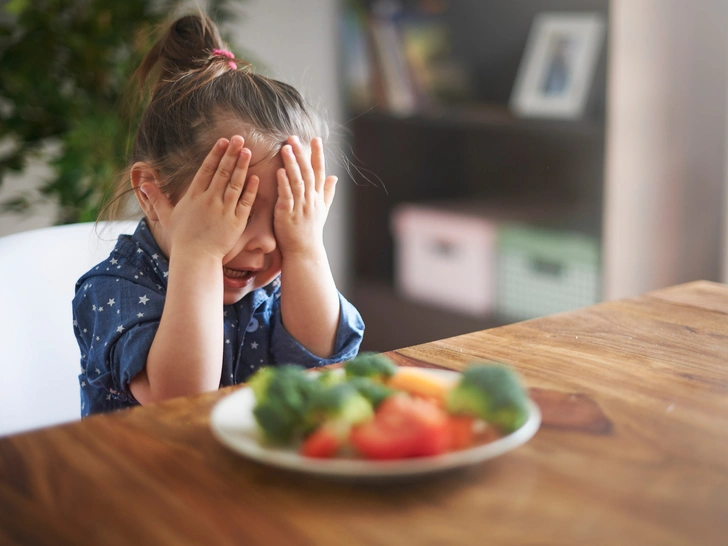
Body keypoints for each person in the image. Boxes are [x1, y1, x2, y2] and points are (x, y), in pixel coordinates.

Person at [72, 13, 365, 416]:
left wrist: (304, 249)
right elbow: (181, 399)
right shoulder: (114, 288)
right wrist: (200, 255)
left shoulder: (278, 278)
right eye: (238, 214)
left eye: (284, 217)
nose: (265, 241)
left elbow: (325, 360)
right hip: (141, 473)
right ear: (151, 194)